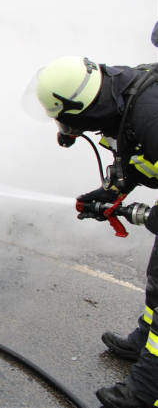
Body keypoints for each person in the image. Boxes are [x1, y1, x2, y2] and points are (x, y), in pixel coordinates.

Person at [30, 55, 158, 408]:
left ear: (81, 107)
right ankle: (144, 342)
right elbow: (139, 156)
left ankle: (145, 395)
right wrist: (114, 193)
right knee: (157, 279)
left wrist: (150, 215)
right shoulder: (121, 96)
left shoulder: (151, 116)